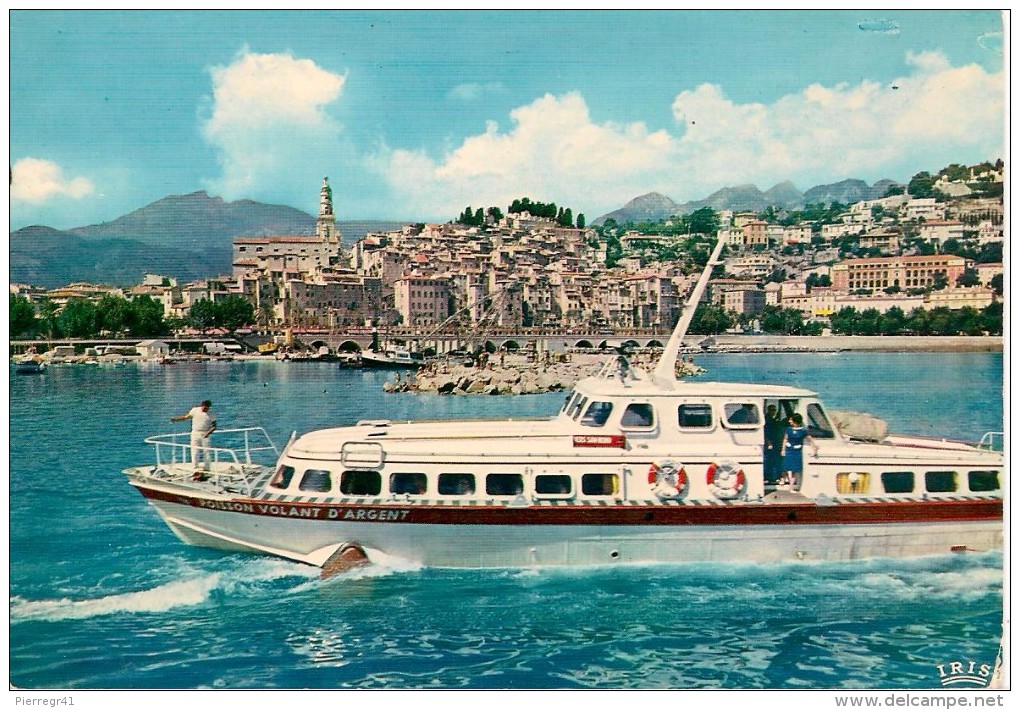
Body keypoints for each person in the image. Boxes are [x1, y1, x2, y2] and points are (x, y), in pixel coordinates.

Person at [171, 400, 217, 479]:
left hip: (205, 434)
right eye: (204, 408)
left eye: (207, 408)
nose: (205, 410)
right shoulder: (195, 410)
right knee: (195, 451)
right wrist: (176, 419)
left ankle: (207, 468)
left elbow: (214, 426)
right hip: (195, 433)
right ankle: (195, 468)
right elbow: (186, 417)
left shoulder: (211, 414)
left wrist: (208, 433)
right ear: (201, 406)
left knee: (206, 452)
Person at [781, 413, 818, 489]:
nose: (789, 421)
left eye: (791, 419)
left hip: (796, 451)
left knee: (794, 470)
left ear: (795, 421)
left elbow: (810, 440)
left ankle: (791, 487)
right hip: (788, 450)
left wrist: (814, 448)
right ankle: (783, 479)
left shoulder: (803, 431)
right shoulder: (788, 429)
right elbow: (785, 439)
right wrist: (783, 449)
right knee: (785, 467)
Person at [763, 405, 786, 485]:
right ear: (768, 410)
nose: (773, 411)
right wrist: (768, 442)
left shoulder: (773, 419)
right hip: (770, 442)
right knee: (770, 460)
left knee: (774, 460)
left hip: (775, 442)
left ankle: (773, 476)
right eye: (771, 409)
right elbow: (766, 432)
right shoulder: (767, 419)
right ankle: (770, 477)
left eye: (774, 409)